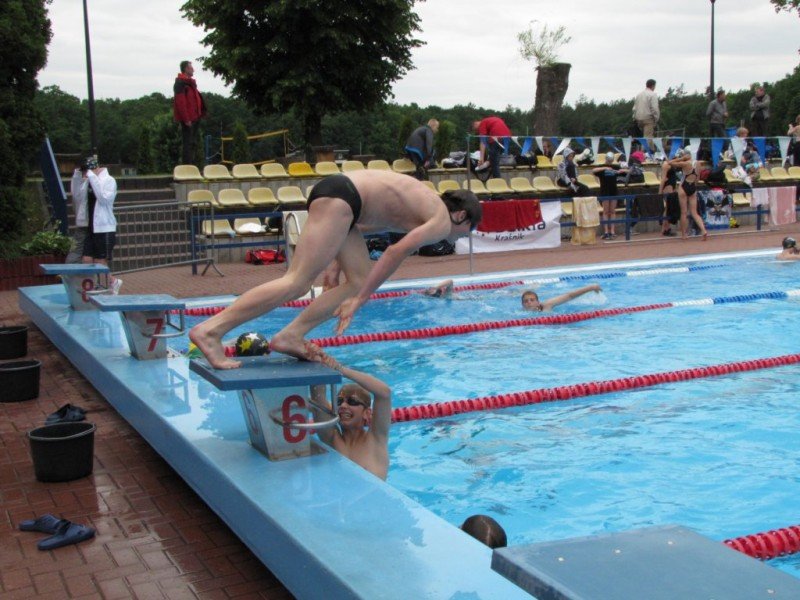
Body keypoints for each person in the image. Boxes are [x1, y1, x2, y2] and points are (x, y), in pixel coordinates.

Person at [189, 170, 482, 369]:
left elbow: (359, 227)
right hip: (342, 198)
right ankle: (211, 330)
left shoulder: (424, 206)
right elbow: (395, 252)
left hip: (344, 200)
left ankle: (291, 336)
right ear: (460, 215)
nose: (463, 237)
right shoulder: (441, 220)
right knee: (297, 282)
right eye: (468, 230)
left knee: (358, 279)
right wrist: (360, 300)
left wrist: (335, 265)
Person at [306, 343, 391, 480]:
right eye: (339, 401)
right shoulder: (332, 438)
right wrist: (316, 358)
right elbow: (318, 395)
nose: (343, 405)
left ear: (367, 413)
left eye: (352, 401)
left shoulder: (376, 440)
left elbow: (384, 393)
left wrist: (340, 369)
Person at [75, 156, 122, 294]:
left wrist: (92, 176)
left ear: (95, 168)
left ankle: (112, 282)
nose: (86, 174)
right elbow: (77, 196)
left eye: (87, 170)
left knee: (100, 261)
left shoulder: (109, 180)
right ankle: (97, 285)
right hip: (91, 227)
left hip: (104, 227)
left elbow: (104, 198)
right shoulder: (88, 181)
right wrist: (77, 176)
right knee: (86, 259)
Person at [668, 149, 708, 241]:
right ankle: (703, 230)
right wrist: (694, 186)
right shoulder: (698, 163)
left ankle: (684, 234)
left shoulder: (685, 163)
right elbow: (697, 179)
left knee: (684, 212)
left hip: (684, 187)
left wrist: (681, 159)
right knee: (694, 213)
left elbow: (669, 163)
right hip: (693, 187)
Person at [173, 60, 206, 165]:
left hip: (195, 117)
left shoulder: (190, 83)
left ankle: (192, 165)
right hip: (188, 119)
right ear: (186, 69)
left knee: (193, 143)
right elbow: (180, 102)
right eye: (191, 68)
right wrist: (186, 119)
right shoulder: (180, 83)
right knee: (187, 143)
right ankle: (187, 166)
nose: (193, 70)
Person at [592, 152, 628, 239]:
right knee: (605, 211)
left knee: (612, 211)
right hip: (605, 191)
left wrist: (622, 170)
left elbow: (628, 171)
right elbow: (593, 171)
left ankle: (612, 231)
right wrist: (605, 168)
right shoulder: (601, 167)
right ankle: (606, 231)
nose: (610, 162)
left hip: (613, 191)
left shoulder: (615, 167)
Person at [521, 284, 602, 312]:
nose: (529, 302)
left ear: (538, 302)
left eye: (532, 300)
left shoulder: (546, 305)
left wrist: (591, 287)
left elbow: (569, 295)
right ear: (523, 305)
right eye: (526, 301)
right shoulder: (520, 313)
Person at [632, 79, 660, 149]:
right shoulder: (653, 94)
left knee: (646, 137)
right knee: (648, 137)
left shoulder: (639, 95)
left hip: (638, 119)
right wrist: (656, 118)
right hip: (648, 119)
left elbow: (634, 108)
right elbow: (654, 108)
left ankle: (651, 151)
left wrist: (634, 118)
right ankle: (645, 153)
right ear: (653, 86)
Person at [658, 159, 681, 237]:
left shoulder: (671, 164)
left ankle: (666, 228)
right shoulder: (665, 165)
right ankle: (664, 229)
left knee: (669, 209)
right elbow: (663, 179)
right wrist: (660, 191)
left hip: (672, 186)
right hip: (668, 186)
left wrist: (675, 188)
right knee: (667, 209)